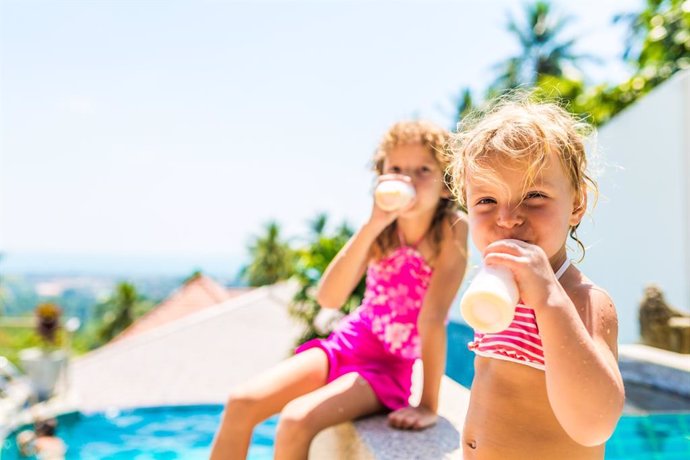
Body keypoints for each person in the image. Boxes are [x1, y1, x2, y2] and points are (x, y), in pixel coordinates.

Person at [210, 120, 469, 459]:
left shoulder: (451, 229)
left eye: (423, 170)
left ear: (446, 184)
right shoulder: (381, 228)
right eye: (396, 169)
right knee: (241, 402)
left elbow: (433, 319)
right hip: (348, 343)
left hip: (388, 368)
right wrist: (374, 224)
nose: (408, 180)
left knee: (295, 420)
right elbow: (329, 298)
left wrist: (427, 405)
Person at [447, 97, 624, 459]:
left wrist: (548, 299)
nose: (508, 218)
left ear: (576, 204)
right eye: (486, 201)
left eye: (534, 195)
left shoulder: (582, 300)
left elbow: (595, 425)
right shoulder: (495, 291)